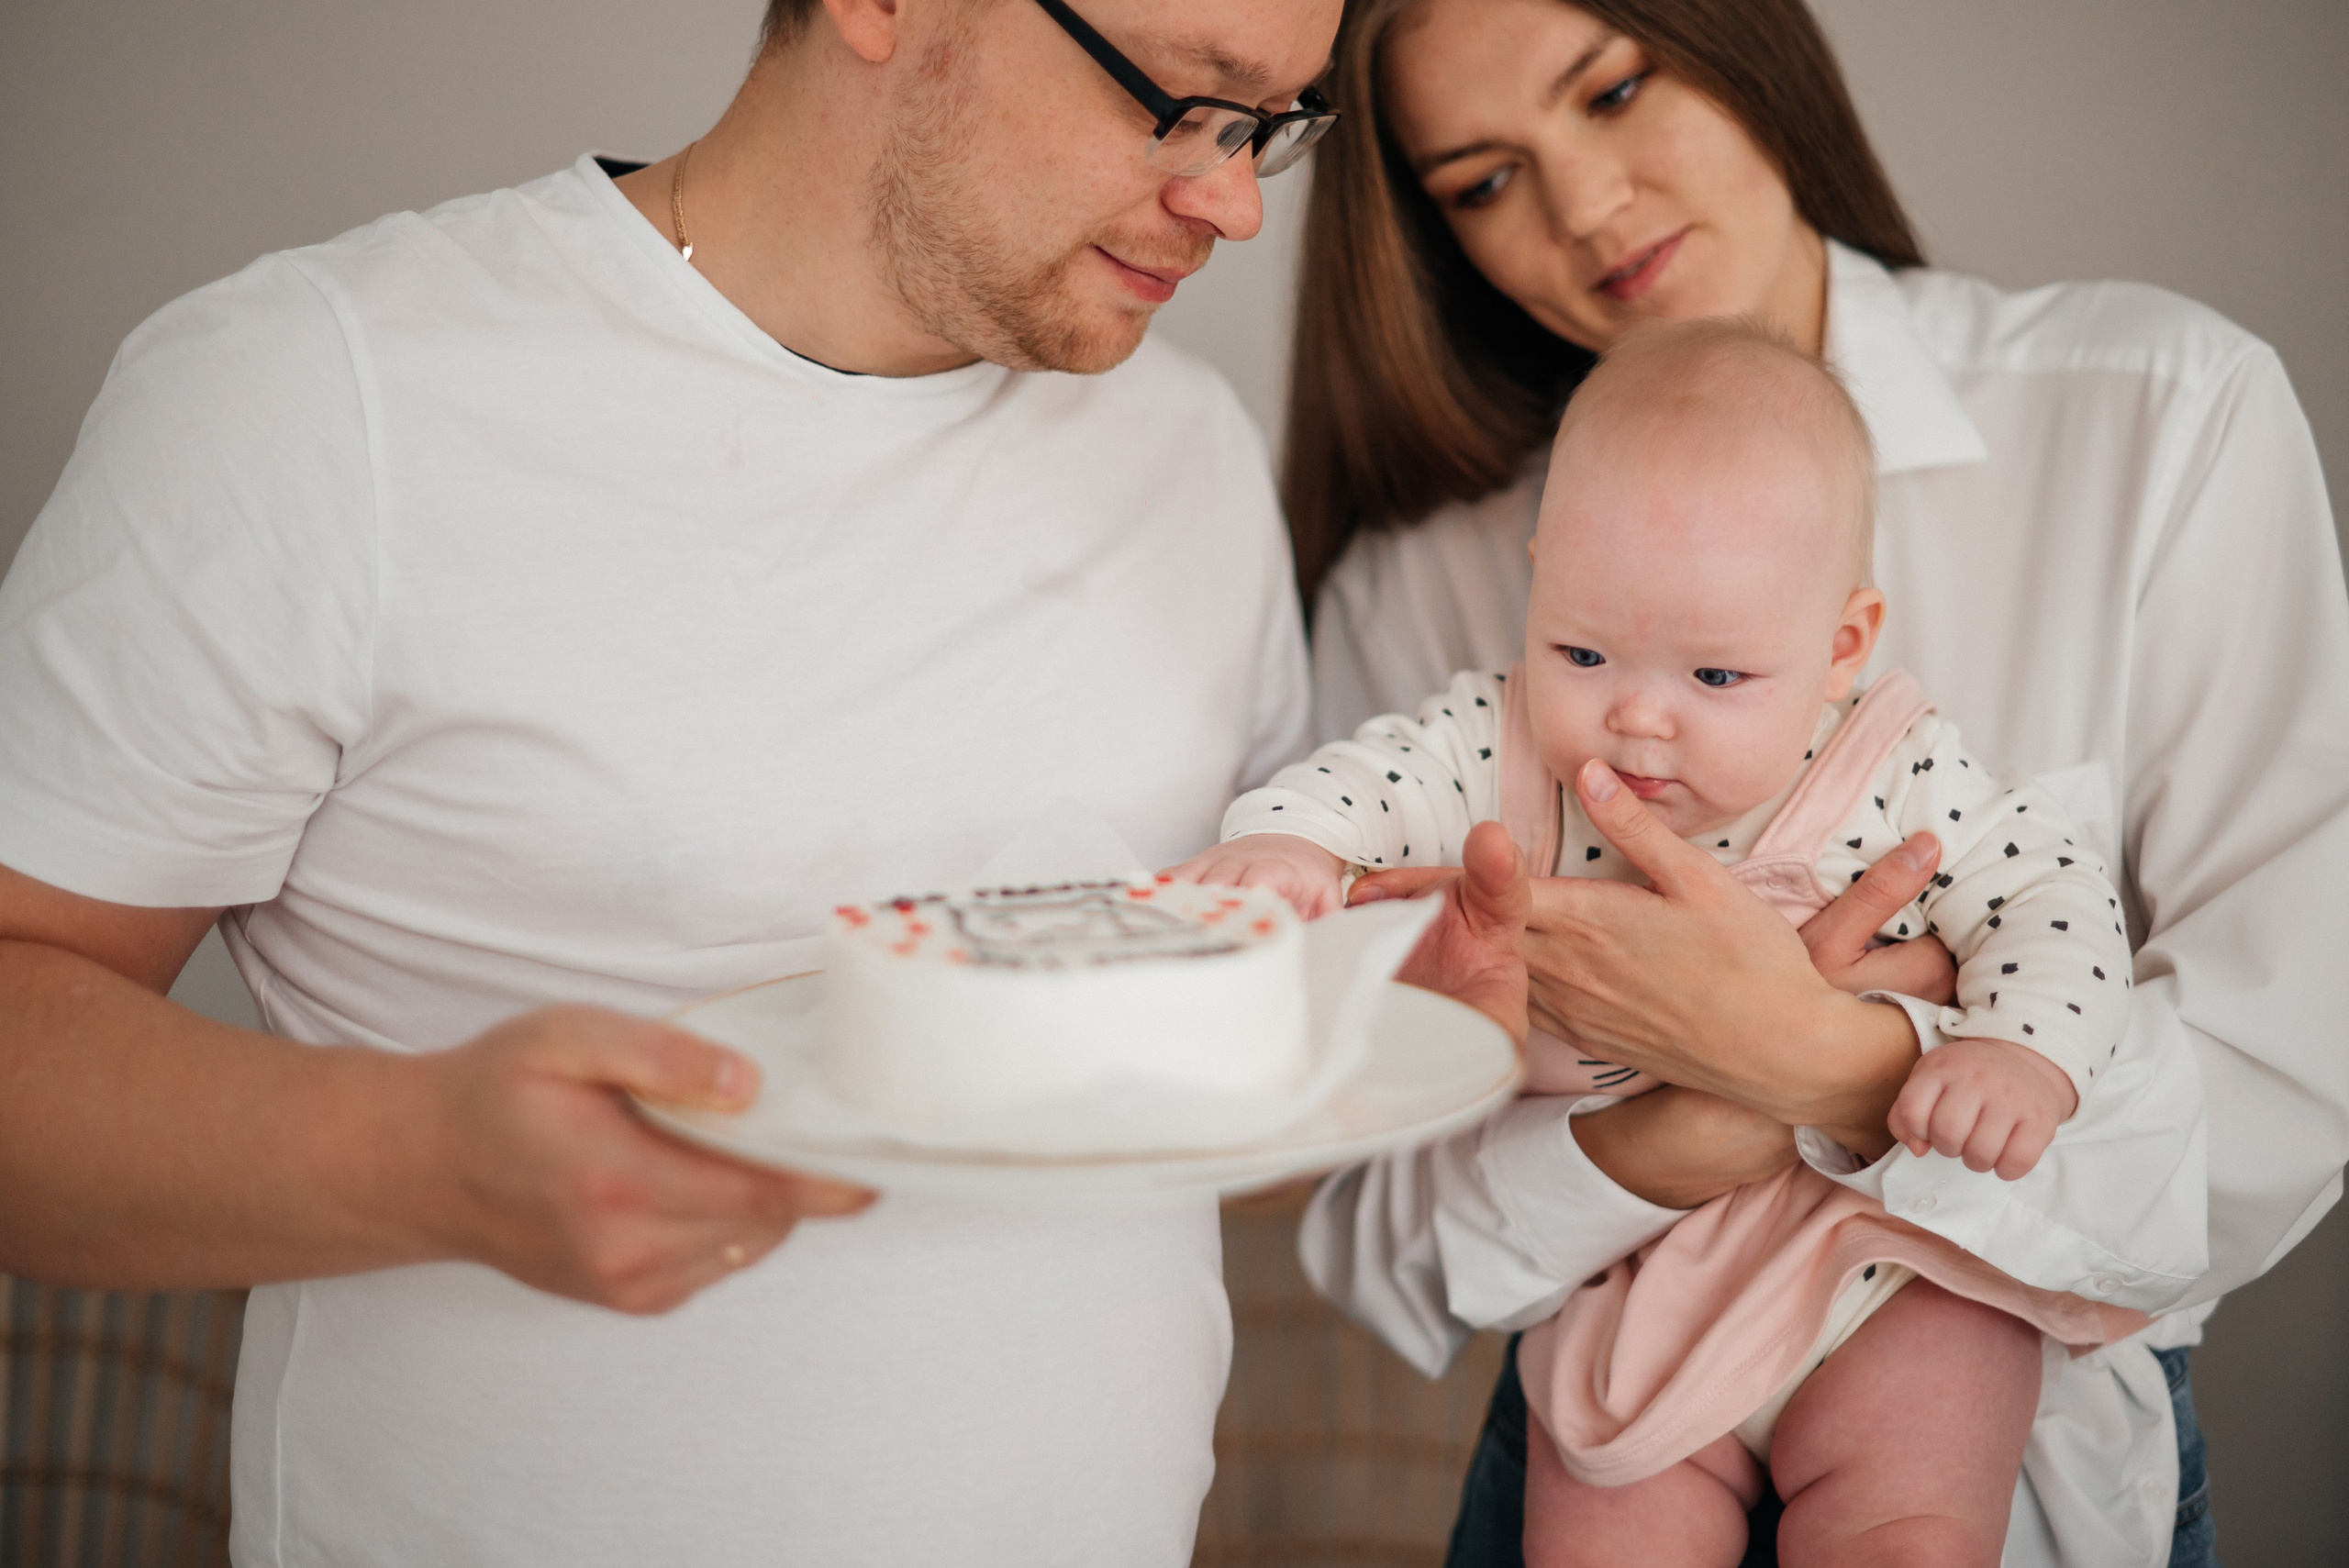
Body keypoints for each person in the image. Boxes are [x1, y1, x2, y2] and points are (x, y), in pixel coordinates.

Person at [0, 0, 1342, 1562]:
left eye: (1267, 129)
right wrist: (428, 1158)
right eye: (1182, 100)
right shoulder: (316, 393)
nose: (1234, 202)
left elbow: (1201, 1135)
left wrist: (1378, 1006)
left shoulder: (1187, 447)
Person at [1282, 1, 2348, 1565]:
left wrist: (1819, 1064)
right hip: (1611, 1419)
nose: (1584, 208)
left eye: (1617, 88)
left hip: (2017, 1457)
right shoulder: (1428, 582)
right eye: (1485, 180)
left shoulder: (2157, 415)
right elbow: (1374, 1238)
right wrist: (1648, 1143)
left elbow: (2291, 1080)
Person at [1188, 318, 2167, 1566]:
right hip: (1633, 1282)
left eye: (1715, 676)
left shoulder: (1900, 768)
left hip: (1887, 1267)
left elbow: (2055, 897)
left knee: (1908, 1531)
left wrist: (2024, 1056)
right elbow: (1365, 783)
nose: (1638, 717)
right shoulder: (1496, 741)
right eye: (1584, 650)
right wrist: (1292, 849)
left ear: (1842, 647)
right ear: (1537, 583)